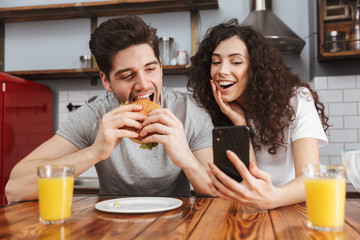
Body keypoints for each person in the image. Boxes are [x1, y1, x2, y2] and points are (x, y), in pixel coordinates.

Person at [5, 15, 214, 203]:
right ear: (106, 80)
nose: (143, 84)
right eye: (127, 75)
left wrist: (186, 159)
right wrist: (95, 151)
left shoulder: (189, 111)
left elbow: (218, 192)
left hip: (177, 227)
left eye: (150, 69)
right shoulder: (95, 115)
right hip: (111, 228)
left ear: (161, 66)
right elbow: (14, 189)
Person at [187, 18, 329, 209]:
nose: (222, 70)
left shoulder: (297, 100)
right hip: (246, 212)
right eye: (216, 62)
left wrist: (275, 197)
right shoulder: (212, 111)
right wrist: (240, 123)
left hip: (290, 208)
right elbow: (247, 184)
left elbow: (311, 176)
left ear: (255, 68)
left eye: (236, 62)